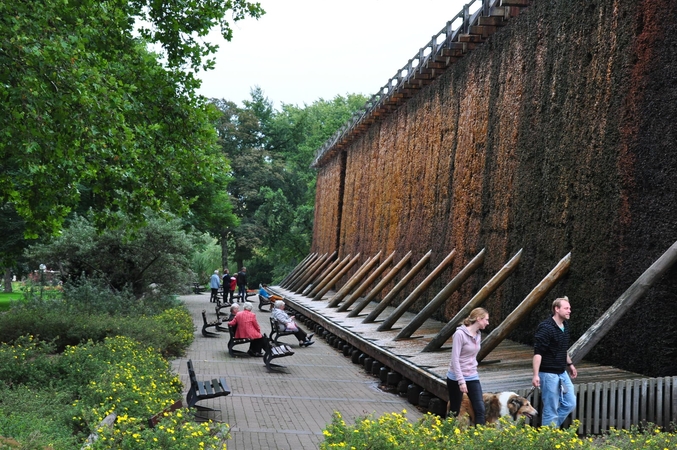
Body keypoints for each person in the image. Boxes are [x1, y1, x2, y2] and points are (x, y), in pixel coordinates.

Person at [532, 296, 578, 428]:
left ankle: (551, 430)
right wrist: (536, 375)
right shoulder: (546, 327)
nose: (569, 311)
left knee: (570, 403)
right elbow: (538, 353)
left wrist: (570, 365)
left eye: (570, 308)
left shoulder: (565, 326)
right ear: (556, 309)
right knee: (551, 408)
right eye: (566, 308)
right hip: (548, 373)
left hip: (561, 371)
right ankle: (548, 438)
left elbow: (563, 349)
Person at [446, 307, 489, 426]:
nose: (488, 322)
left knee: (480, 409)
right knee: (454, 410)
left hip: (472, 376)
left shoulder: (478, 335)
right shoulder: (459, 334)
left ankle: (479, 440)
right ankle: (447, 435)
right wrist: (461, 381)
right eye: (486, 319)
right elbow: (455, 359)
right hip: (456, 377)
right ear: (479, 319)